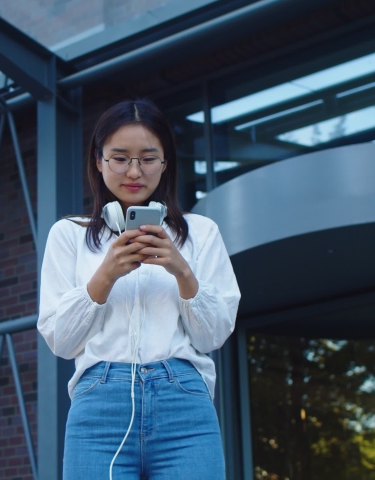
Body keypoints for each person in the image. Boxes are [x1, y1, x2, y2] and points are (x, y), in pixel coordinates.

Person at [37, 99, 240, 479]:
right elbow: (61, 342)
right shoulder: (69, 235)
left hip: (184, 404)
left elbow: (212, 335)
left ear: (165, 164)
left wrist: (182, 270)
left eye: (148, 158)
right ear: (98, 161)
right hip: (99, 406)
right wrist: (105, 275)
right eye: (119, 158)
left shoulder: (201, 233)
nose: (134, 171)